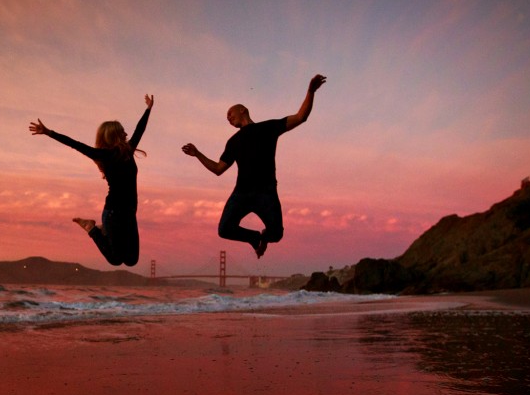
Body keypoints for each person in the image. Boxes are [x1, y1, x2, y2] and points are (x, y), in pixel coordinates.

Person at [182, 74, 326, 258]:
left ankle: (263, 237)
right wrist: (198, 154)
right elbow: (218, 169)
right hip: (241, 193)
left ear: (243, 110)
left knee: (277, 234)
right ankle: (254, 238)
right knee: (224, 229)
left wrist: (310, 91)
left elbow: (300, 117)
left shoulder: (267, 128)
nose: (227, 117)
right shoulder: (233, 141)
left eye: (230, 113)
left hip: (266, 192)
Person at [29, 94, 153, 266]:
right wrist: (49, 132)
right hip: (113, 213)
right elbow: (75, 144)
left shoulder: (128, 151)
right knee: (116, 260)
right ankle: (92, 228)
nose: (126, 133)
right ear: (114, 135)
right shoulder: (103, 155)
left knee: (132, 260)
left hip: (130, 213)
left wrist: (148, 109)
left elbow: (140, 129)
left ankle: (101, 230)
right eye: (122, 131)